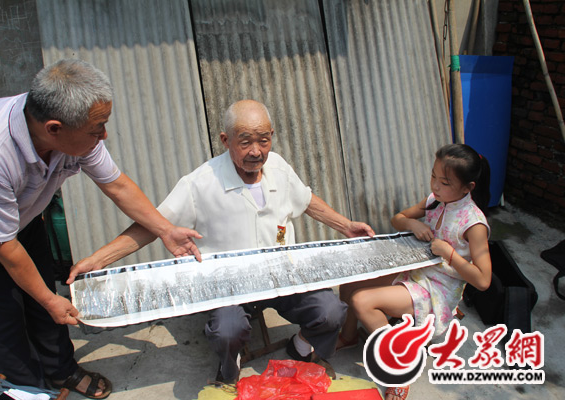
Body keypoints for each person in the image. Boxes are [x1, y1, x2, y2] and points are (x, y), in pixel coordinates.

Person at [68, 99, 376, 385]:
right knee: (227, 331)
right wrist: (99, 259)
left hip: (282, 276)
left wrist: (346, 226)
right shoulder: (200, 183)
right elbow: (152, 225)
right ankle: (231, 364)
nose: (256, 151)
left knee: (331, 311)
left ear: (271, 137)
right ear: (225, 140)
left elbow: (306, 200)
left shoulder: (279, 167)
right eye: (245, 141)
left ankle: (301, 346)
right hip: (228, 286)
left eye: (263, 140)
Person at [0, 59, 202, 399]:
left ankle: (62, 370)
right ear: (54, 128)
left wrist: (165, 230)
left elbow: (117, 186)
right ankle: (27, 389)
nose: (104, 135)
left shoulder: (73, 131)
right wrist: (49, 300)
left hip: (21, 222)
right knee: (4, 318)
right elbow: (4, 246)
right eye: (97, 129)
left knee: (45, 306)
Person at [337, 143, 492, 400]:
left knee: (361, 300)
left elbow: (483, 280)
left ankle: (401, 368)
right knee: (352, 282)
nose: (435, 186)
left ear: (468, 188)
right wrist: (412, 224)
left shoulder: (473, 223)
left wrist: (449, 253)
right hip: (415, 268)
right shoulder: (435, 201)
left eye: (445, 182)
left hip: (438, 288)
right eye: (433, 176)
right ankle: (349, 336)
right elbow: (397, 218)